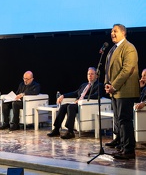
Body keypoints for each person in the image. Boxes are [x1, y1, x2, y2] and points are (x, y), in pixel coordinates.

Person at [104, 24, 139, 160]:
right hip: (115, 90)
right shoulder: (113, 49)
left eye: (115, 31)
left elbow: (127, 70)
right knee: (119, 121)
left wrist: (114, 85)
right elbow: (109, 69)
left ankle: (129, 150)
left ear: (123, 33)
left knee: (125, 120)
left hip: (125, 91)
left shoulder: (129, 48)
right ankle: (122, 146)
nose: (112, 33)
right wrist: (107, 84)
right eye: (111, 31)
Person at [47, 67, 103, 139]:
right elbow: (75, 93)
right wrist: (63, 96)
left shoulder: (99, 85)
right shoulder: (84, 85)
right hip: (77, 103)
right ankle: (56, 129)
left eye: (92, 74)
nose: (90, 76)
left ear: (97, 76)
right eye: (88, 74)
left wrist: (82, 99)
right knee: (63, 106)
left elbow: (96, 95)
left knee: (70, 107)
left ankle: (70, 132)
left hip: (84, 105)